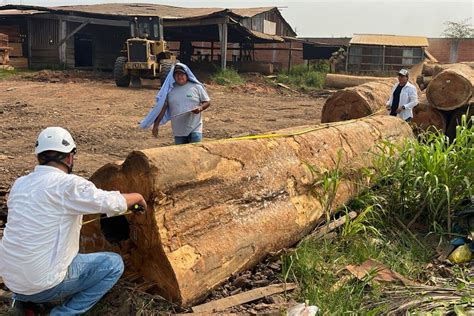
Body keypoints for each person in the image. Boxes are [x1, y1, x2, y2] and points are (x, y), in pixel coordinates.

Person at [0, 127, 147, 315]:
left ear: (39, 157)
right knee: (113, 264)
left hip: (12, 280)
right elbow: (109, 202)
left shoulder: (20, 184)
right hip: (41, 284)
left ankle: (24, 303)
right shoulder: (69, 184)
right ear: (69, 158)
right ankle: (62, 313)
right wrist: (136, 197)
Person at [140, 63, 211, 145]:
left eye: (182, 74)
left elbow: (207, 101)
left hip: (195, 128)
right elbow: (162, 108)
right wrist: (156, 125)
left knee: (195, 153)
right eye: (177, 74)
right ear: (173, 77)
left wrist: (200, 108)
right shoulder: (169, 90)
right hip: (178, 130)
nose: (180, 76)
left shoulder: (196, 87)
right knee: (180, 155)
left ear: (187, 75)